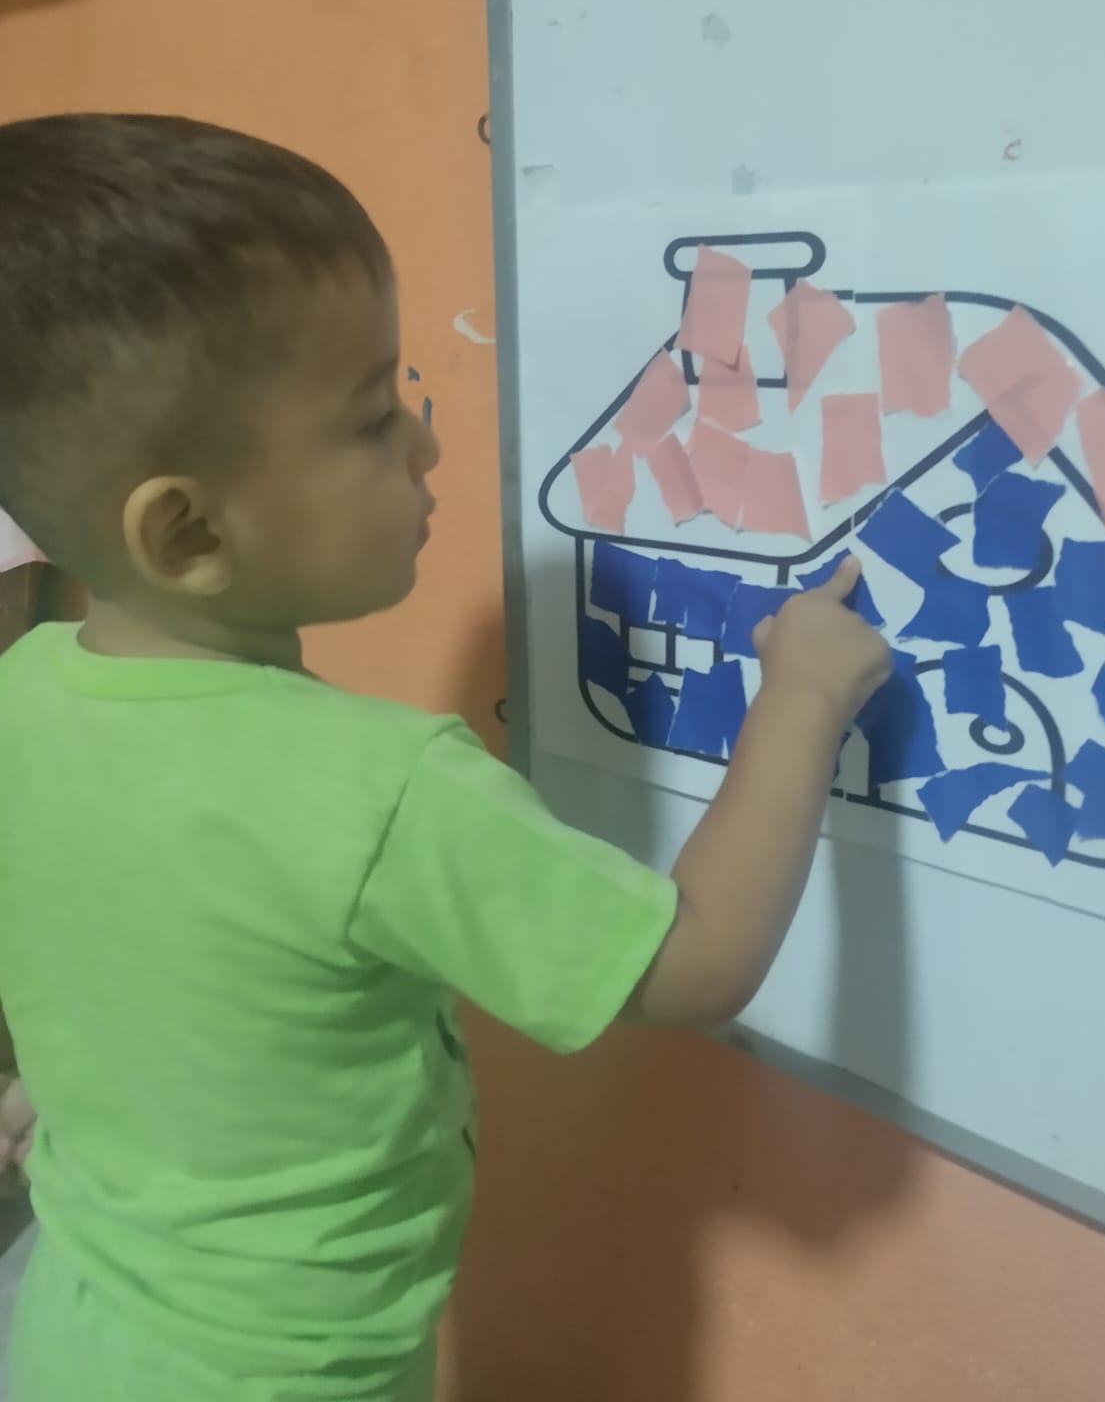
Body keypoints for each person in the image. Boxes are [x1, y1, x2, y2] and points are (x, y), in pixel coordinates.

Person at [0, 114, 890, 1401]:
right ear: (187, 531)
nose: (425, 442)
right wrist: (800, 696)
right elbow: (695, 964)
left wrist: (71, 1086)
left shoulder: (23, 690)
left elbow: (113, 937)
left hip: (77, 1332)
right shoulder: (380, 788)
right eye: (372, 420)